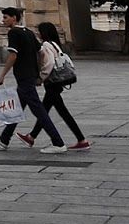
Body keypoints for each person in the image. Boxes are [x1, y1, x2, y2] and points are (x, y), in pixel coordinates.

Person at [0, 7, 67, 154]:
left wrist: (2, 75)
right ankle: (4, 138)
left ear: (14, 17)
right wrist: (38, 72)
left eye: (6, 17)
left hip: (24, 77)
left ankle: (58, 143)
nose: (3, 20)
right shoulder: (28, 32)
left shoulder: (14, 32)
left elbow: (13, 56)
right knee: (18, 107)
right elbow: (40, 53)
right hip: (30, 76)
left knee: (39, 111)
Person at [36, 21, 89, 151]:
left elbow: (48, 64)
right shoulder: (55, 44)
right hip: (58, 82)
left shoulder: (46, 45)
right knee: (48, 110)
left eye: (39, 31)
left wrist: (40, 78)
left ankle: (81, 140)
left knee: (51, 111)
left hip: (52, 82)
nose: (38, 33)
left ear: (44, 33)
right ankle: (31, 136)